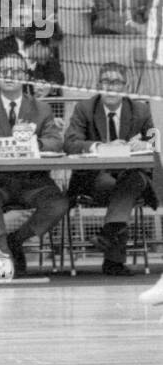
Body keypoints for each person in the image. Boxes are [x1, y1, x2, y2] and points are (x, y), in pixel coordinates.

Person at [0, 53, 68, 279]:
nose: (10, 76)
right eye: (4, 72)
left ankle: (16, 240)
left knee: (59, 203)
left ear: (26, 77)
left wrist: (30, 143)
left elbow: (56, 141)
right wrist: (3, 145)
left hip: (32, 181)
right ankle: (4, 257)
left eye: (16, 72)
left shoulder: (41, 108)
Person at [63, 62, 158, 276]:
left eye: (116, 82)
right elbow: (69, 142)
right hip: (95, 180)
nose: (110, 87)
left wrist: (146, 144)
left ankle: (109, 235)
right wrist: (100, 147)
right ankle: (113, 254)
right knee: (127, 185)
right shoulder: (85, 108)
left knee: (132, 180)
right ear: (98, 85)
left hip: (128, 177)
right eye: (105, 82)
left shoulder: (140, 110)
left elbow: (154, 140)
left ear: (125, 87)